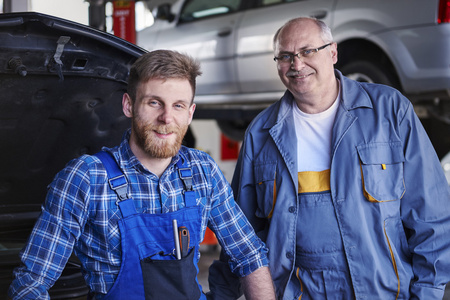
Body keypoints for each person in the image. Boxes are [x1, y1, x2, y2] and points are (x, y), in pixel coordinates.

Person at [210, 17, 450, 299]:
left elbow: (431, 216)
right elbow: (240, 234)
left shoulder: (389, 111)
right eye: (285, 56)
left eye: (308, 51)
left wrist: (427, 292)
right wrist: (217, 295)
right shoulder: (261, 133)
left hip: (381, 292)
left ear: (333, 53)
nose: (297, 65)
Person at [8, 50, 276, 300]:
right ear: (128, 105)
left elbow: (248, 254)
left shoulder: (202, 171)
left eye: (179, 105)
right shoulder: (87, 178)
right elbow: (31, 282)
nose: (166, 117)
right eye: (154, 102)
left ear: (190, 113)